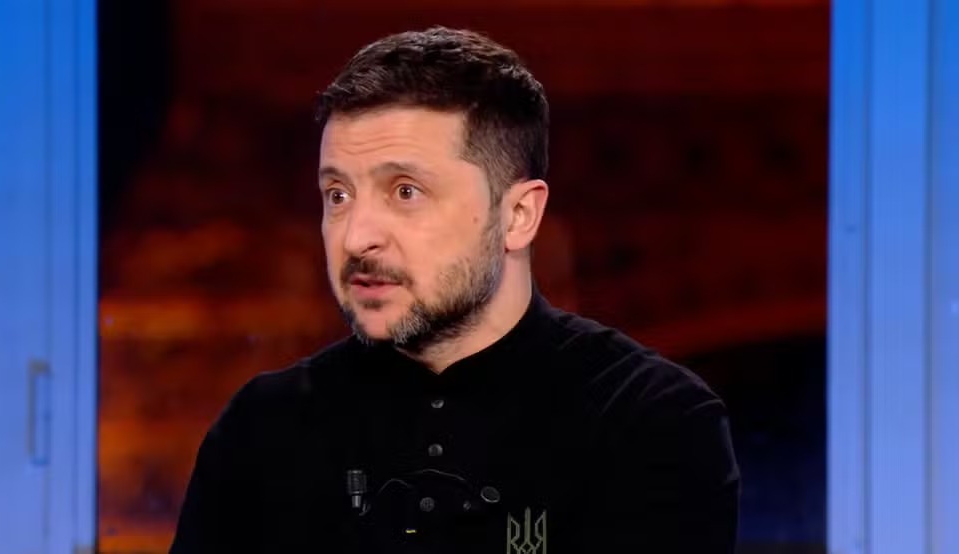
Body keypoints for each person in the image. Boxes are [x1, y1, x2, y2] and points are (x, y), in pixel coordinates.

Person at [170, 26, 740, 554]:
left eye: (405, 191)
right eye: (337, 195)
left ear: (518, 215)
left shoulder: (651, 420)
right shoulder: (260, 429)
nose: (357, 236)